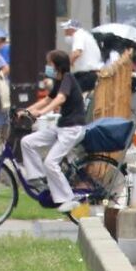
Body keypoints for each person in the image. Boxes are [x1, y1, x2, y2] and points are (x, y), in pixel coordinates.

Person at [19, 50, 87, 213]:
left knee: (51, 162)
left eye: (49, 63)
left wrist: (42, 113)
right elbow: (48, 99)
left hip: (72, 129)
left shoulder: (68, 79)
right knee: (27, 142)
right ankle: (37, 178)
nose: (47, 67)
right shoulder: (59, 80)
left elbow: (60, 99)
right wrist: (26, 111)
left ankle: (68, 199)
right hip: (61, 127)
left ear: (57, 65)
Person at [61, 19, 103, 93]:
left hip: (85, 74)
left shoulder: (78, 35)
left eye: (66, 30)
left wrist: (65, 66)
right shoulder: (86, 36)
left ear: (71, 29)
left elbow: (77, 53)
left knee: (72, 95)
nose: (65, 33)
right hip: (91, 73)